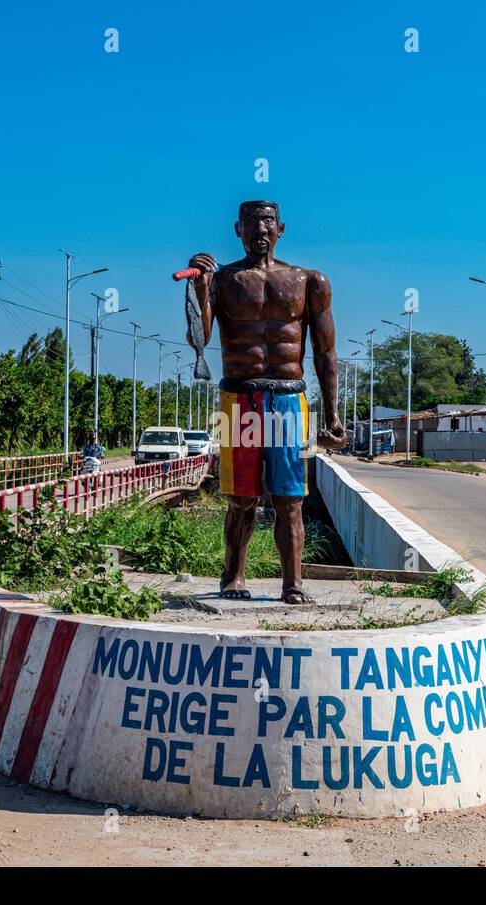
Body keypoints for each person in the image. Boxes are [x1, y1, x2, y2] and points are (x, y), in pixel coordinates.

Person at [186, 200, 347, 604]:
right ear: (237, 230)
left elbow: (326, 353)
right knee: (241, 498)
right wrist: (200, 289)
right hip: (238, 396)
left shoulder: (309, 281)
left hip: (289, 399)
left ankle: (292, 584)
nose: (261, 228)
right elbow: (198, 339)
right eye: (252, 222)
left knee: (290, 497)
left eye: (268, 221)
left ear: (281, 229)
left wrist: (334, 415)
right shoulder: (222, 280)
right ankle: (233, 578)